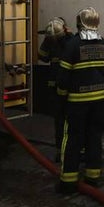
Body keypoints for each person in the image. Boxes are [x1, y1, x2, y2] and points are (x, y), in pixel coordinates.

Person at [56, 7, 104, 194]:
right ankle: (92, 177)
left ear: (79, 23)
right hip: (100, 101)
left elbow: (63, 75)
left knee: (73, 138)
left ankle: (68, 181)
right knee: (94, 138)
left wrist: (61, 95)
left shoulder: (73, 45)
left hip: (77, 102)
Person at [38, 16, 72, 162]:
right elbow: (43, 56)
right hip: (66, 88)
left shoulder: (51, 41)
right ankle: (68, 150)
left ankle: (62, 151)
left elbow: (42, 57)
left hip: (57, 88)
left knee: (60, 121)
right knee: (67, 120)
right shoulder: (71, 40)